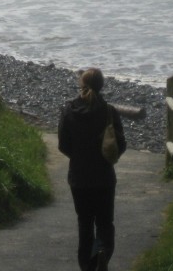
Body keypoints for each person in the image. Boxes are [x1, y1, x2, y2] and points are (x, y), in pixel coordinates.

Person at [58, 67, 127, 271]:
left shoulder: (69, 110)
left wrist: (78, 156)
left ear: (81, 84)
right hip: (104, 176)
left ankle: (88, 265)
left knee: (85, 223)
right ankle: (102, 251)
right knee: (105, 221)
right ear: (101, 86)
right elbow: (120, 143)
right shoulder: (108, 111)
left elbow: (63, 144)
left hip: (79, 177)